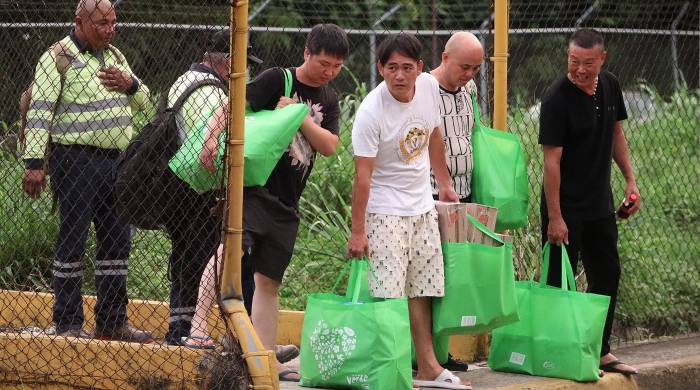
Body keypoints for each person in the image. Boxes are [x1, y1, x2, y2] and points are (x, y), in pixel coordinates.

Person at [190, 23, 349, 381]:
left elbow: (329, 145)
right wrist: (211, 140)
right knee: (230, 251)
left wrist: (297, 116)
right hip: (255, 186)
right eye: (323, 63)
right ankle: (199, 327)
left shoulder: (330, 97)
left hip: (287, 201)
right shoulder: (278, 78)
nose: (329, 71)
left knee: (269, 283)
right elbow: (234, 104)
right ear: (306, 52)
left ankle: (264, 359)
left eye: (336, 66)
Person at [21, 0, 152, 342]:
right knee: (73, 240)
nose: (109, 29)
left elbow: (149, 104)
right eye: (101, 24)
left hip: (118, 164)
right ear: (79, 22)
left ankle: (112, 322)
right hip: (76, 161)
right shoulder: (58, 57)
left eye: (113, 22)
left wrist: (131, 85)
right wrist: (34, 164)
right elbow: (40, 112)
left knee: (117, 243)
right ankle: (68, 323)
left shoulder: (117, 58)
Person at [347, 33, 470, 390]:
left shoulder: (429, 88)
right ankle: (393, 370)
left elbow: (433, 134)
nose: (399, 75)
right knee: (389, 294)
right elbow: (362, 178)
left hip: (421, 207)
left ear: (419, 67)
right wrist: (358, 230)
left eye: (406, 67)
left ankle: (429, 368)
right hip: (384, 212)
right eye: (391, 68)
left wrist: (444, 182)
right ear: (380, 68)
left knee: (422, 290)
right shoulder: (371, 111)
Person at [539, 28, 640, 376]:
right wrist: (555, 217)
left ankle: (599, 350)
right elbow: (551, 163)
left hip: (599, 202)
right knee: (558, 283)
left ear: (602, 59)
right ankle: (555, 355)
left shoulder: (609, 85)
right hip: (564, 207)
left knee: (607, 273)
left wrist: (630, 180)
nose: (579, 70)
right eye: (573, 61)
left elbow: (615, 133)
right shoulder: (556, 99)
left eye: (587, 63)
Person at [158, 30, 238, 346]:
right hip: (198, 185)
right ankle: (187, 330)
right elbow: (209, 146)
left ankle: (179, 326)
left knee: (184, 253)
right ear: (229, 61)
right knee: (200, 255)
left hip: (175, 179)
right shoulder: (212, 93)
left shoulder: (184, 80)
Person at [430, 31, 483, 203]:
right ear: (445, 57)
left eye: (475, 68)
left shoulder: (470, 88)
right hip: (432, 192)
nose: (469, 74)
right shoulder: (425, 88)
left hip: (467, 190)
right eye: (465, 67)